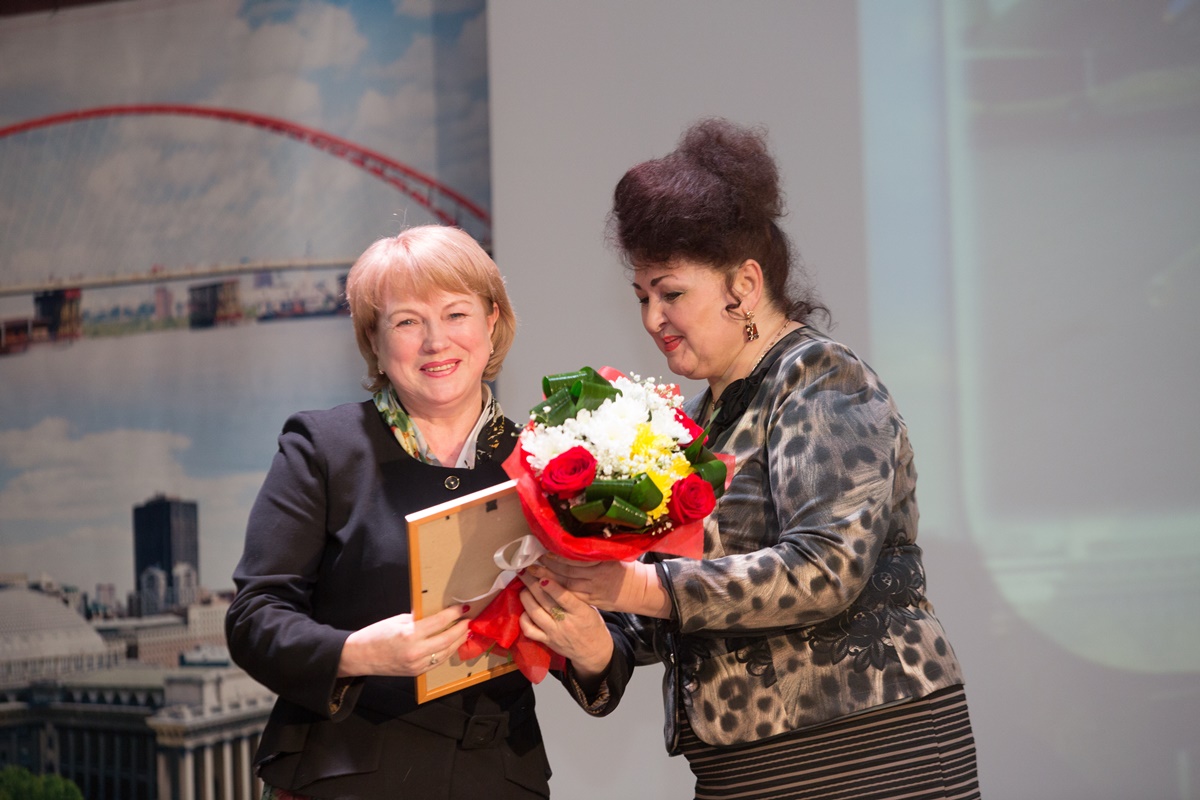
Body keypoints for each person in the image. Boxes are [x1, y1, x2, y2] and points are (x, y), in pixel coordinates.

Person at [518, 119, 981, 799]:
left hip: (869, 755)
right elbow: (666, 607)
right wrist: (591, 641)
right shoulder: (693, 424)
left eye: (671, 293)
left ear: (744, 284)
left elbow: (825, 569)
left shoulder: (821, 378)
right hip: (740, 771)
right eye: (642, 297)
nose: (651, 319)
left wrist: (635, 589)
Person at [225, 225, 552, 799]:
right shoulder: (323, 447)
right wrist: (359, 653)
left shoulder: (547, 458)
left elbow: (604, 633)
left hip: (499, 775)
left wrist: (588, 645)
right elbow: (254, 619)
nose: (436, 341)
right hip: (344, 774)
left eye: (456, 314)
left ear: (492, 321)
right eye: (406, 322)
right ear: (373, 342)